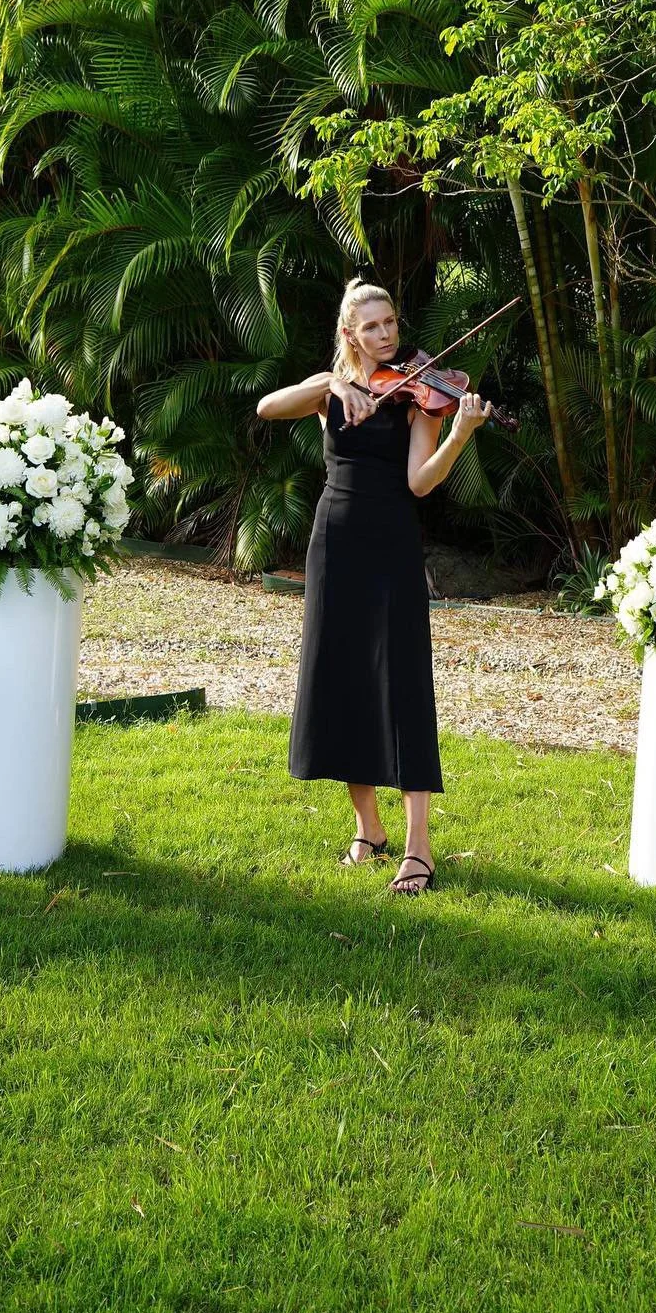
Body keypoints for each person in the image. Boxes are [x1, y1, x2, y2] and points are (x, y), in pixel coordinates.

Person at [255, 279, 489, 896]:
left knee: (403, 681)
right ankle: (369, 828)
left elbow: (419, 481)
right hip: (334, 540)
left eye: (391, 323)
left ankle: (419, 846)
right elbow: (266, 408)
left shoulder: (418, 396)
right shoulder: (328, 391)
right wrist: (333, 383)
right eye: (373, 327)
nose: (387, 336)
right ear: (348, 334)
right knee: (343, 678)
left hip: (391, 541)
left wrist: (460, 435)